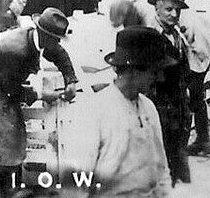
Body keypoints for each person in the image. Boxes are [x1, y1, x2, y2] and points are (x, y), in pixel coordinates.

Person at [0, 8, 77, 196]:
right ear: (46, 36)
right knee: (6, 131)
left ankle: (11, 182)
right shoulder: (18, 50)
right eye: (56, 39)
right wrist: (39, 95)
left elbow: (58, 54)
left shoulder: (39, 40)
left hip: (3, 79)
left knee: (15, 132)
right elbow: (10, 89)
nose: (58, 43)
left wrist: (71, 80)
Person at [62, 26, 173, 197]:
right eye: (155, 72)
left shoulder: (149, 107)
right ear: (135, 70)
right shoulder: (95, 111)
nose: (160, 78)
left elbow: (161, 168)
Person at [146, 0, 195, 184]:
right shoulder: (149, 35)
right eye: (168, 9)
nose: (174, 14)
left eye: (178, 10)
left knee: (178, 157)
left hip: (179, 105)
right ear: (157, 8)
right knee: (161, 158)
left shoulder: (176, 34)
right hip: (159, 104)